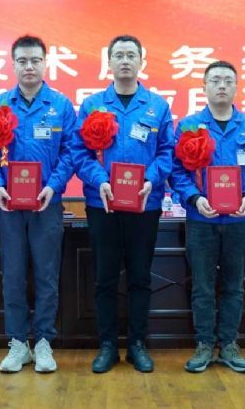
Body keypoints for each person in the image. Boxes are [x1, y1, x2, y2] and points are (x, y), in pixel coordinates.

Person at [71, 35, 174, 373]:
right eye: (119, 55)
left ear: (141, 61)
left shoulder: (157, 106)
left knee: (140, 276)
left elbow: (167, 153)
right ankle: (107, 346)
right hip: (103, 203)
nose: (125, 61)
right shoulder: (92, 105)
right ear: (110, 62)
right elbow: (80, 154)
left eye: (131, 55)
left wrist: (151, 180)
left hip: (145, 203)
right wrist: (100, 180)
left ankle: (137, 344)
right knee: (104, 277)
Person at [0, 35, 76, 373]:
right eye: (22, 61)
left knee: (47, 274)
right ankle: (18, 342)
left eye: (35, 60)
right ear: (13, 64)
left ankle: (45, 341)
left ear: (45, 63)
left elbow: (70, 153)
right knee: (13, 274)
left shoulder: (61, 105)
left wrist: (53, 186)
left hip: (47, 204)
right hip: (8, 205)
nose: (29, 66)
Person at [169, 61, 245, 373]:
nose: (222, 85)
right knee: (202, 286)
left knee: (234, 286)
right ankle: (203, 344)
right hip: (202, 220)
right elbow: (177, 172)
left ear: (237, 87)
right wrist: (195, 198)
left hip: (239, 220)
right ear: (204, 87)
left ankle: (228, 344)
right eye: (215, 80)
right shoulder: (189, 127)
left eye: (228, 80)